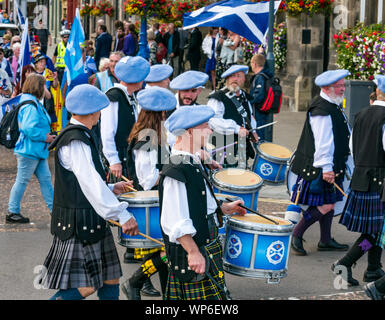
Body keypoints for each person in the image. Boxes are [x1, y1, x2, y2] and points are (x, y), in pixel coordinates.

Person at [39, 84, 139, 300]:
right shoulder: (76, 141)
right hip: (79, 223)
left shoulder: (83, 134)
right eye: (99, 110)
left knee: (110, 278)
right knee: (86, 287)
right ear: (92, 111)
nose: (100, 114)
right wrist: (122, 215)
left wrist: (112, 187)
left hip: (90, 218)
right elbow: (91, 184)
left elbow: (85, 182)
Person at [159, 105, 246, 300]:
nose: (210, 131)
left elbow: (198, 204)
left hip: (206, 243)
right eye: (206, 126)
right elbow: (174, 220)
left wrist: (223, 209)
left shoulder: (192, 161)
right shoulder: (177, 170)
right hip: (195, 249)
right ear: (190, 131)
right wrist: (193, 252)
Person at [121, 87, 176, 300]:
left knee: (163, 250)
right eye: (164, 113)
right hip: (152, 200)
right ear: (158, 115)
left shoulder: (155, 137)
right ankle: (134, 282)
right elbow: (146, 179)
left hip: (158, 198)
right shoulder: (146, 141)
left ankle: (164, 294)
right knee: (166, 251)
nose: (166, 116)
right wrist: (173, 171)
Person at [289, 69, 351, 256]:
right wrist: (326, 169)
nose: (343, 89)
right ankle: (297, 234)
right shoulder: (321, 110)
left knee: (329, 201)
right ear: (327, 87)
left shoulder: (332, 105)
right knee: (326, 205)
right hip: (318, 167)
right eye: (339, 86)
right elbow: (323, 141)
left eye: (343, 85)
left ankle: (325, 240)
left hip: (332, 164)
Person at [332, 75, 385, 287]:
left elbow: (353, 148)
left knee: (377, 229)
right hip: (380, 180)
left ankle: (373, 268)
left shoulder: (361, 114)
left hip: (362, 177)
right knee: (375, 232)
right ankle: (344, 264)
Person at [7, 74, 55, 224]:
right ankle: (12, 211)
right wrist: (45, 137)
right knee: (22, 181)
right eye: (43, 86)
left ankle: (55, 210)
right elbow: (28, 128)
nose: (45, 89)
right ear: (38, 87)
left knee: (45, 180)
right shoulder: (31, 104)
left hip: (35, 150)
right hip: (30, 150)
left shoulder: (30, 101)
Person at [100, 55, 150, 182]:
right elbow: (107, 132)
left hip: (130, 157)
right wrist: (114, 160)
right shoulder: (114, 96)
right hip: (120, 159)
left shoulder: (131, 96)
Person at [207, 65, 258, 168]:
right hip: (224, 149)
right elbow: (213, 121)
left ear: (244, 79)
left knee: (242, 179)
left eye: (238, 76)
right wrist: (236, 128)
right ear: (227, 79)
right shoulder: (218, 98)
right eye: (232, 76)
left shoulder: (245, 98)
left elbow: (249, 117)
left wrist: (253, 131)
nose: (235, 79)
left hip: (242, 149)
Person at [249, 53, 274, 141]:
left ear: (255, 64)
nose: (251, 66)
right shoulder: (266, 76)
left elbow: (258, 96)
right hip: (264, 111)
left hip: (259, 113)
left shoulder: (260, 77)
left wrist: (248, 101)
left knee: (259, 140)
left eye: (251, 63)